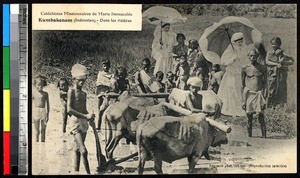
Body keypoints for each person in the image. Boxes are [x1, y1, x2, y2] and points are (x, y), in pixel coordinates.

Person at [67, 64, 95, 174]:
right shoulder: (71, 91)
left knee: (77, 149)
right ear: (74, 79)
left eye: (83, 81)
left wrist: (90, 116)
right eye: (79, 81)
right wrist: (85, 116)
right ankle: (88, 173)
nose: (81, 83)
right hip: (75, 123)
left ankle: (76, 172)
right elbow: (69, 109)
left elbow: (84, 110)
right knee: (83, 150)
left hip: (84, 124)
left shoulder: (84, 94)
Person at [217, 32, 248, 117]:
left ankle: (238, 107)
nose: (240, 43)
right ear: (234, 41)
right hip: (231, 73)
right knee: (231, 89)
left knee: (238, 89)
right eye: (238, 41)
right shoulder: (230, 49)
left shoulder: (243, 49)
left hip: (238, 72)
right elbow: (223, 61)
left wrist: (242, 64)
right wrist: (232, 59)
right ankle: (229, 109)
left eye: (241, 41)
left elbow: (245, 60)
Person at [242, 48, 268, 138]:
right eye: (251, 55)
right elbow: (242, 84)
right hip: (249, 94)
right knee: (249, 117)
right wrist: (243, 101)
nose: (252, 57)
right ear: (248, 56)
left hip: (259, 94)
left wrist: (264, 96)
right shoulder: (245, 68)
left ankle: (264, 136)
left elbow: (265, 83)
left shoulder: (262, 68)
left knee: (261, 116)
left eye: (254, 55)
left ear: (257, 56)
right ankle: (250, 137)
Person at [265, 36, 294, 108]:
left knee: (281, 89)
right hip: (272, 73)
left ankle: (280, 106)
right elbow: (267, 61)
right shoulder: (269, 52)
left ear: (279, 44)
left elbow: (292, 61)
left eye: (275, 44)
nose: (273, 46)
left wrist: (283, 61)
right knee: (271, 88)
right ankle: (269, 105)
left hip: (281, 74)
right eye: (272, 44)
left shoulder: (282, 52)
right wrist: (276, 64)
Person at [95, 60, 115, 130]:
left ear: (109, 66)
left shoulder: (111, 74)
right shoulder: (100, 74)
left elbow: (112, 84)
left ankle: (109, 126)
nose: (105, 67)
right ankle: (98, 126)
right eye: (104, 66)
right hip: (100, 94)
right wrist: (106, 83)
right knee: (100, 110)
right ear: (102, 66)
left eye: (107, 66)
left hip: (107, 93)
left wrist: (104, 83)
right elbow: (98, 83)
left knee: (108, 110)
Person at [32, 75, 50, 142]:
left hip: (43, 112)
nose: (40, 86)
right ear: (35, 84)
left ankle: (43, 146)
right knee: (37, 131)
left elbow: (48, 105)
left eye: (41, 85)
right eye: (38, 85)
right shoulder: (33, 93)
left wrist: (48, 115)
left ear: (44, 85)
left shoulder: (45, 94)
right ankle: (36, 147)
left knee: (43, 130)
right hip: (35, 112)